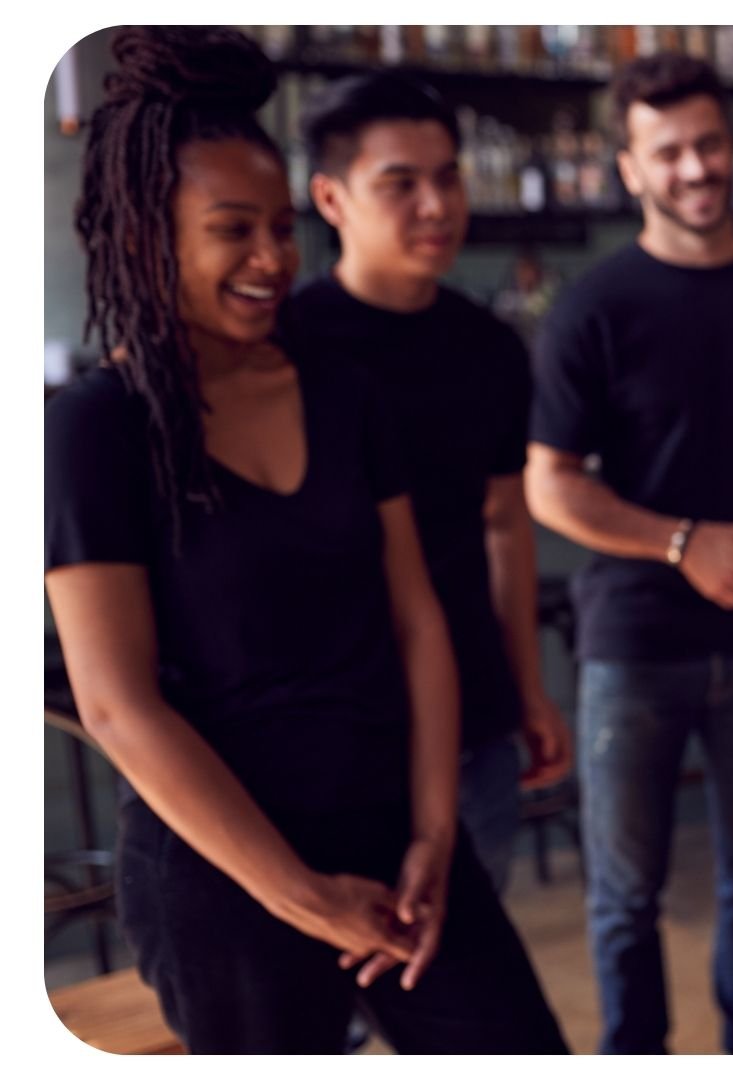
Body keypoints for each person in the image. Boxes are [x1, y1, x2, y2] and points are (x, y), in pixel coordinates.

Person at [43, 26, 566, 1053]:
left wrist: (429, 833)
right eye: (233, 230)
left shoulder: (341, 392)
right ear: (149, 233)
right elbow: (115, 703)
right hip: (222, 871)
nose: (273, 260)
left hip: (393, 827)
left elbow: (417, 622)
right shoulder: (95, 427)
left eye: (282, 229)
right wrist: (302, 896)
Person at [524, 53, 733, 1055]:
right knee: (625, 894)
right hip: (632, 642)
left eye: (709, 144)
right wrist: (683, 544)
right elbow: (553, 482)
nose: (696, 168)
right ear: (631, 169)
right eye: (669, 152)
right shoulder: (593, 305)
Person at [278, 72, 571, 897]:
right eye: (399, 184)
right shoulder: (286, 345)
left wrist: (529, 689)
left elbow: (505, 525)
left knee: (461, 982)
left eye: (447, 176)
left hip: (471, 715)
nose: (437, 205)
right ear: (330, 198)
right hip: (329, 720)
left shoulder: (488, 346)